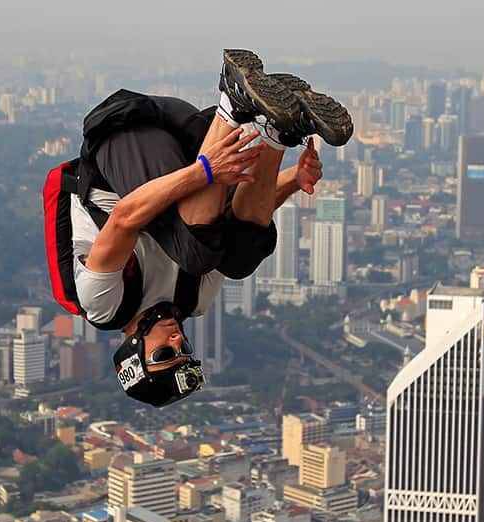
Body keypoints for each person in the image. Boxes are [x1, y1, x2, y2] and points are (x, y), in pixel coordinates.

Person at [68, 49, 352, 407]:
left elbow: (125, 216)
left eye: (163, 354)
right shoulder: (194, 301)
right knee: (236, 261)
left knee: (197, 253)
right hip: (192, 141)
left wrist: (205, 171)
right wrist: (294, 178)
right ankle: (277, 131)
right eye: (184, 350)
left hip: (123, 136)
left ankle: (233, 102)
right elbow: (234, 222)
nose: (177, 341)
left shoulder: (104, 304)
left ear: (134, 353)